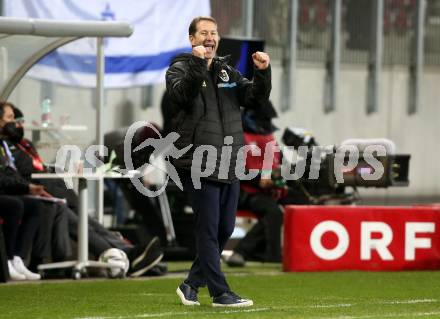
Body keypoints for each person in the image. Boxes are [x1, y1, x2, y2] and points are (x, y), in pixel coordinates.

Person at [166, 16, 271, 307]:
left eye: (213, 33)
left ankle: (190, 284)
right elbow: (182, 95)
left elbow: (254, 98)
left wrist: (262, 72)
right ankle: (220, 293)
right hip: (197, 163)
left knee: (224, 229)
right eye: (203, 33)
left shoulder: (227, 72)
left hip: (229, 162)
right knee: (209, 231)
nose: (209, 37)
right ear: (192, 39)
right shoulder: (179, 69)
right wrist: (198, 64)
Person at [4, 103, 165, 277]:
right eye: (11, 119)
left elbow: (38, 166)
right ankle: (122, 257)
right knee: (80, 223)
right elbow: (17, 172)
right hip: (36, 193)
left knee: (91, 222)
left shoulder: (25, 145)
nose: (17, 124)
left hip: (53, 189)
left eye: (19, 120)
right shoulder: (6, 148)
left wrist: (56, 169)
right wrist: (30, 186)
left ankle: (127, 251)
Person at [226, 101, 285, 267]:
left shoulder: (270, 138)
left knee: (301, 203)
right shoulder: (237, 138)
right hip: (243, 191)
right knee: (273, 212)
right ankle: (250, 253)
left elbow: (278, 164)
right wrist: (259, 180)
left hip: (267, 190)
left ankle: (260, 252)